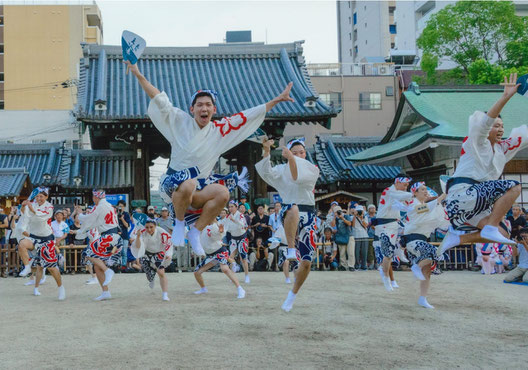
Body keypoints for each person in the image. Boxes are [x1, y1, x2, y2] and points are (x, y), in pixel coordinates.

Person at [127, 60, 294, 257]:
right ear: (192, 109)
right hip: (172, 186)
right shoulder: (179, 121)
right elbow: (160, 100)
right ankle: (180, 224)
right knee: (188, 183)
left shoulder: (220, 131)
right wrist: (138, 74)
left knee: (223, 193)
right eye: (199, 105)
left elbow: (246, 117)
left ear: (214, 110)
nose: (203, 108)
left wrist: (276, 100)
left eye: (208, 105)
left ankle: (196, 231)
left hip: (198, 188)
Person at [439, 73, 526, 255]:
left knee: (504, 232)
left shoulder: (503, 149)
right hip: (463, 194)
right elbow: (485, 123)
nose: (500, 129)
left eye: (502, 126)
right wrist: (505, 97)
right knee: (515, 186)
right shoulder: (476, 141)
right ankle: (490, 226)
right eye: (496, 126)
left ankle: (458, 238)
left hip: (477, 202)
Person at [255, 137, 319, 312]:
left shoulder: (312, 169)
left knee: (306, 263)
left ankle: (292, 294)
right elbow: (266, 172)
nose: (298, 155)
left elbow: (298, 177)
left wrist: (291, 158)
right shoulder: (282, 169)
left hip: (308, 213)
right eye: (295, 152)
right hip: (289, 211)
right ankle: (291, 249)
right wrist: (267, 150)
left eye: (301, 152)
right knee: (293, 208)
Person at [399, 182, 448, 309]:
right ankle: (416, 267)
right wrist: (443, 195)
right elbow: (426, 208)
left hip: (421, 240)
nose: (425, 191)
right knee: (435, 252)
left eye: (426, 189)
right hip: (412, 240)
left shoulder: (424, 206)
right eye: (422, 189)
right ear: (415, 193)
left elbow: (437, 217)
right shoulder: (413, 205)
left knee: (427, 272)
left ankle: (423, 298)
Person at [17, 187, 65, 300]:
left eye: (41, 196)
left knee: (50, 268)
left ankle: (61, 288)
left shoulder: (49, 207)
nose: (38, 198)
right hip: (33, 237)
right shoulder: (32, 203)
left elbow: (40, 217)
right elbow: (24, 214)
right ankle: (27, 267)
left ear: (46, 197)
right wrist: (24, 206)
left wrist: (30, 208)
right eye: (37, 196)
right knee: (22, 244)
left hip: (46, 238)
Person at [79, 189, 123, 301]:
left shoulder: (100, 207)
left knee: (88, 253)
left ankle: (108, 271)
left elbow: (90, 219)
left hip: (108, 236)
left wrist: (80, 214)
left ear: (96, 197)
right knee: (97, 266)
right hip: (112, 236)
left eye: (93, 197)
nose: (93, 199)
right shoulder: (109, 206)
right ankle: (105, 291)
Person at [374, 175, 413, 292]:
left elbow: (410, 204)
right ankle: (387, 277)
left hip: (395, 225)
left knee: (410, 230)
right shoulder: (389, 191)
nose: (406, 187)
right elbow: (403, 197)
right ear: (397, 182)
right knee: (388, 253)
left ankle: (400, 248)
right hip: (384, 226)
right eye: (405, 185)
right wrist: (414, 193)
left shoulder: (400, 195)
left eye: (407, 185)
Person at [193, 221, 245, 299]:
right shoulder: (198, 230)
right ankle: (203, 289)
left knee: (224, 269)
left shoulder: (211, 227)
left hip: (220, 251)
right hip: (210, 255)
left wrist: (220, 232)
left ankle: (240, 289)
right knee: (197, 272)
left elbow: (218, 235)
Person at [130, 219, 173, 301]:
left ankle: (165, 294)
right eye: (147, 227)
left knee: (161, 272)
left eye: (151, 227)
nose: (149, 229)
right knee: (149, 276)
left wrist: (168, 254)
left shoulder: (161, 232)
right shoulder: (142, 232)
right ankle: (151, 278)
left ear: (155, 226)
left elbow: (169, 243)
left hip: (159, 252)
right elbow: (138, 246)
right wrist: (138, 236)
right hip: (146, 253)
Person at [222, 200, 250, 283]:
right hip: (233, 238)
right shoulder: (228, 217)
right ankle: (232, 276)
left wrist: (234, 220)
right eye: (229, 207)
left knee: (243, 258)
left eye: (232, 206)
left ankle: (247, 275)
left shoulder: (240, 215)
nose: (230, 208)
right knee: (230, 258)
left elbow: (243, 225)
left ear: (236, 207)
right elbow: (225, 228)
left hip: (242, 238)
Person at [331, 205, 355, 271]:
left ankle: (351, 266)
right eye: (336, 212)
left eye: (338, 211)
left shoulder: (346, 216)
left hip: (349, 235)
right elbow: (332, 225)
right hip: (341, 236)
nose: (338, 213)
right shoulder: (335, 218)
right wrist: (334, 217)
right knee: (342, 252)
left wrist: (342, 218)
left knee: (351, 252)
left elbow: (349, 224)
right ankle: (343, 265)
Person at [352, 205, 369, 270]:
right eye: (358, 211)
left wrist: (362, 218)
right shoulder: (353, 217)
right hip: (356, 236)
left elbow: (366, 226)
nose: (359, 212)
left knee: (364, 252)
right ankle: (356, 265)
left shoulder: (365, 217)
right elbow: (353, 225)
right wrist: (354, 215)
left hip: (364, 235)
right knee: (356, 252)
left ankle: (363, 265)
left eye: (360, 211)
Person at [116, 200, 132, 268]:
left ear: (124, 207)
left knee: (124, 252)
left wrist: (122, 219)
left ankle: (124, 266)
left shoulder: (126, 214)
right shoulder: (115, 214)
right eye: (119, 206)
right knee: (116, 251)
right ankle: (116, 265)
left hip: (124, 236)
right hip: (116, 236)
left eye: (121, 206)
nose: (120, 208)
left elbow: (127, 226)